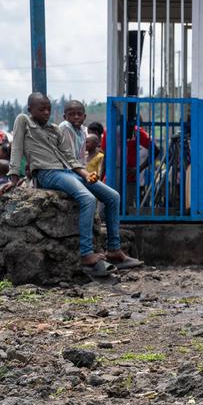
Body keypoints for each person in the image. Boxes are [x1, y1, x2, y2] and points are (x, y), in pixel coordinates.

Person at [9, 93, 143, 273]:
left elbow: (69, 157)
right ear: (30, 109)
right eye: (41, 109)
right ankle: (86, 254)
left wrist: (86, 174)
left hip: (68, 171)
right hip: (46, 172)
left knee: (113, 196)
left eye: (48, 108)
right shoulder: (23, 120)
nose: (46, 112)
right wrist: (14, 177)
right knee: (87, 198)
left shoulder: (54, 129)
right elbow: (16, 148)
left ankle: (114, 250)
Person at [58, 100, 88, 164]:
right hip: (65, 167)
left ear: (84, 116)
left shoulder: (83, 130)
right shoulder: (65, 126)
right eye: (71, 114)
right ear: (65, 117)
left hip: (76, 167)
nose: (76, 117)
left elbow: (81, 157)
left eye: (79, 114)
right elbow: (69, 157)